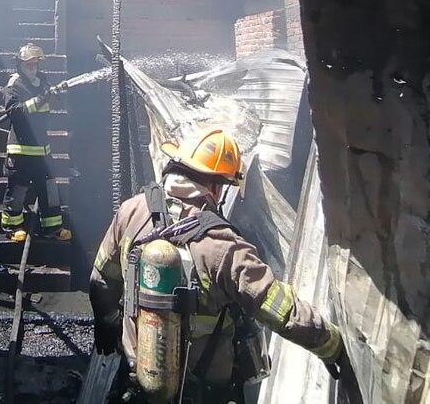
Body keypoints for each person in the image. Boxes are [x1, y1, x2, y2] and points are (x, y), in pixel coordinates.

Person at [89, 128, 349, 402]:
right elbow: (279, 308)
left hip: (138, 383)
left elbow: (102, 278)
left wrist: (108, 323)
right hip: (202, 393)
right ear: (215, 186)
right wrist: (330, 344)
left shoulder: (132, 212)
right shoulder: (223, 246)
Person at [0, 43, 71, 241]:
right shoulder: (14, 85)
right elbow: (15, 112)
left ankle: (53, 228)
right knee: (18, 190)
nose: (33, 66)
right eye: (29, 63)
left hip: (42, 150)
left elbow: (50, 101)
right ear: (20, 65)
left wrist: (55, 95)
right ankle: (13, 227)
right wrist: (38, 100)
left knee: (49, 188)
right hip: (20, 149)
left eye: (35, 63)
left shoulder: (42, 81)